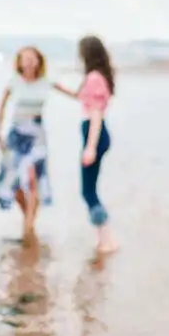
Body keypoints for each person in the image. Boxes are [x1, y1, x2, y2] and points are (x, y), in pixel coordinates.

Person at [0, 46, 74, 236]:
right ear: (20, 62)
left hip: (37, 133)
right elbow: (2, 107)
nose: (29, 61)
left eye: (32, 58)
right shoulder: (14, 82)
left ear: (39, 60)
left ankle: (29, 225)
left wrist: (95, 98)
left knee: (33, 178)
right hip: (16, 134)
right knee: (12, 182)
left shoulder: (46, 81)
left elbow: (74, 94)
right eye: (25, 58)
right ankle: (27, 216)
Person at [72, 35, 118, 253]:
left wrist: (90, 147)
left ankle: (106, 238)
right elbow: (84, 99)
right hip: (95, 133)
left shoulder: (94, 78)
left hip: (94, 133)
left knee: (88, 191)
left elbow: (96, 113)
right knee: (89, 189)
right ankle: (103, 239)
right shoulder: (99, 77)